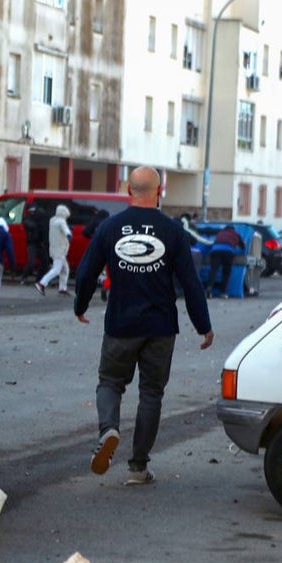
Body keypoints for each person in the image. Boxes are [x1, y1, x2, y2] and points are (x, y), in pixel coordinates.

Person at [73, 166, 213, 485]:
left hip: (121, 323)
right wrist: (203, 325)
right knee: (151, 393)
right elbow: (190, 283)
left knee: (110, 382)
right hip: (161, 327)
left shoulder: (110, 227)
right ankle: (138, 467)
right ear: (159, 191)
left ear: (128, 190)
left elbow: (85, 273)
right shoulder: (173, 230)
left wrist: (80, 306)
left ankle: (109, 428)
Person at [36, 204, 72, 296]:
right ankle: (42, 284)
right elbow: (65, 229)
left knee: (65, 269)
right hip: (60, 249)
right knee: (57, 269)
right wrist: (69, 234)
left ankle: (62, 289)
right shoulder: (61, 221)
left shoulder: (52, 220)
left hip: (54, 248)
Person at [207, 224, 244, 298]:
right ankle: (223, 292)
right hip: (228, 251)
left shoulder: (220, 232)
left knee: (213, 271)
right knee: (226, 273)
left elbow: (208, 230)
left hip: (215, 250)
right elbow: (242, 246)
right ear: (233, 229)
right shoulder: (236, 234)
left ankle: (209, 289)